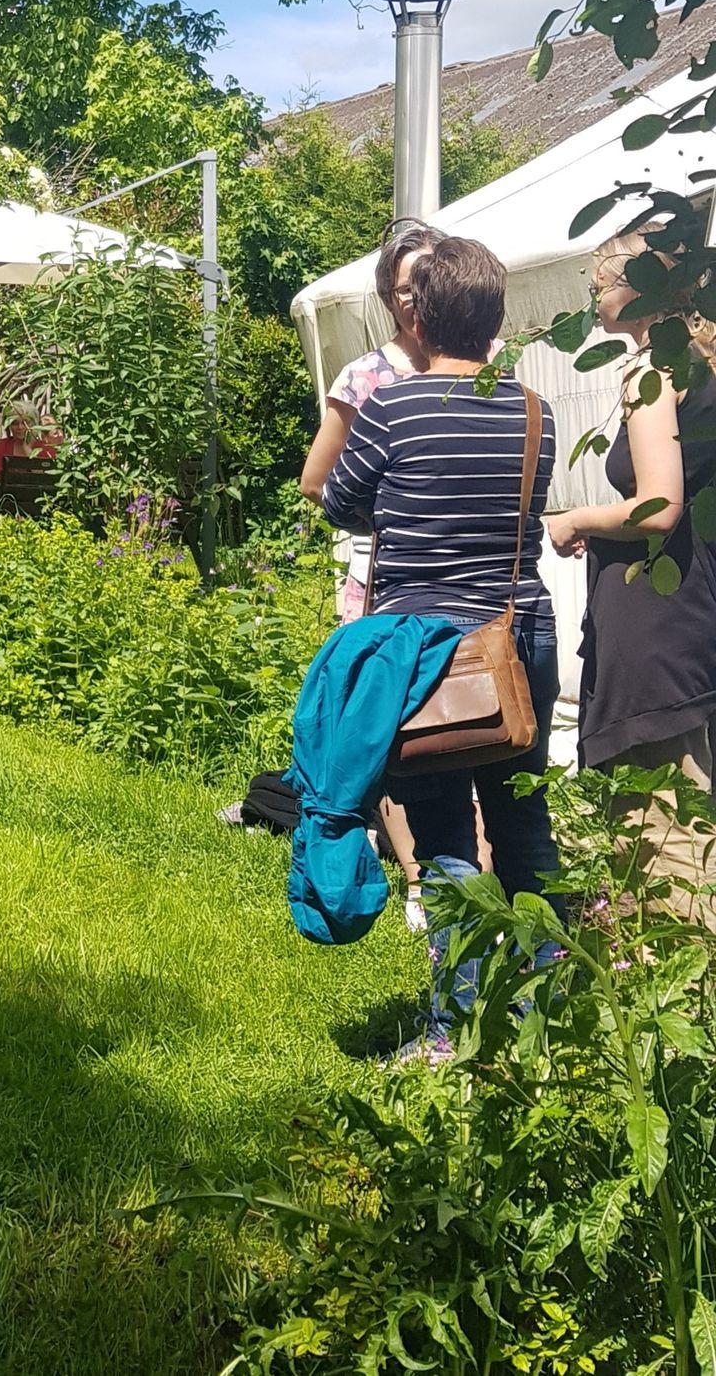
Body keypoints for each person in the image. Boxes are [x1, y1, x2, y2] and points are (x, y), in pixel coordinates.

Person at [320, 235, 560, 1059]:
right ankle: (549, 1021)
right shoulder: (536, 411)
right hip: (519, 638)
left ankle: (454, 1032)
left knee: (445, 837)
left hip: (424, 652)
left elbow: (339, 502)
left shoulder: (393, 409)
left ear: (418, 317)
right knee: (525, 826)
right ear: (494, 319)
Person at [548, 229, 716, 925]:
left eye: (599, 286)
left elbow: (658, 505)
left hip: (655, 628)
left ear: (638, 289)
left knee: (662, 829)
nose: (592, 300)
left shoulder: (655, 373)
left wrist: (577, 519)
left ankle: (683, 977)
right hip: (691, 611)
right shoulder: (701, 359)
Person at [297, 219, 443, 923]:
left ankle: (465, 868)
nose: (415, 300)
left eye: (427, 284)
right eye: (404, 288)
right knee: (387, 725)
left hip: (465, 573)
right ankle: (416, 877)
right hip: (385, 573)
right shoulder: (366, 377)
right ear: (388, 296)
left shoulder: (484, 364)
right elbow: (315, 481)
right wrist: (394, 510)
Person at [0, 406, 63, 481]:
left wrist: (27, 449)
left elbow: (44, 480)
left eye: (25, 423)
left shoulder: (46, 448)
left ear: (33, 425)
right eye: (15, 423)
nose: (20, 427)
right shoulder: (2, 445)